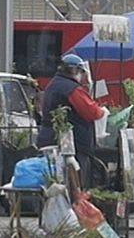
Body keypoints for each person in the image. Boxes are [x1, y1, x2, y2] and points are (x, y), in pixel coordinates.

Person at [37, 53, 107, 189]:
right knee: (75, 186)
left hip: (49, 139)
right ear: (75, 70)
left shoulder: (53, 84)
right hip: (72, 145)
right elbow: (91, 112)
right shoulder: (71, 89)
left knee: (55, 183)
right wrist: (102, 111)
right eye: (81, 72)